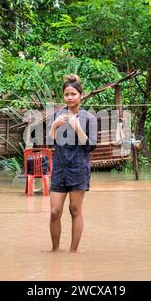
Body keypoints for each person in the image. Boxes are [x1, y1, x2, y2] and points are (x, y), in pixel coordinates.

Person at [47, 74, 97, 253]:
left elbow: (90, 146)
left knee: (75, 210)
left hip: (78, 168)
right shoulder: (57, 115)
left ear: (80, 96)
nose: (69, 97)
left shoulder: (89, 118)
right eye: (66, 94)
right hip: (59, 168)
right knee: (54, 212)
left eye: (73, 94)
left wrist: (77, 127)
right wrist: (54, 127)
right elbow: (48, 142)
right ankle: (55, 250)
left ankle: (73, 253)